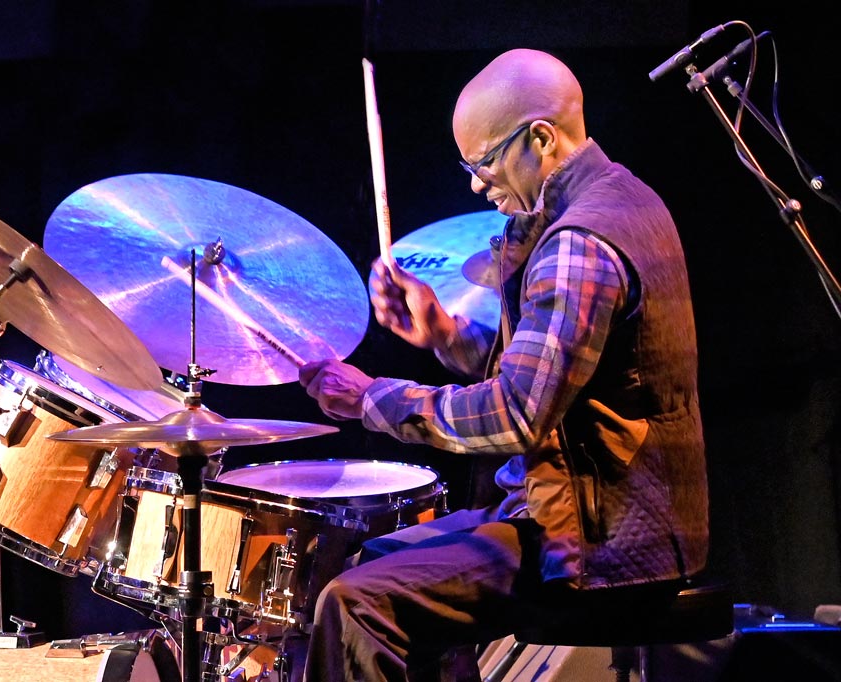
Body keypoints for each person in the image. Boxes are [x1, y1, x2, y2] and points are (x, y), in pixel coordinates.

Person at [297, 48, 709, 681]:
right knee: (370, 560)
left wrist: (371, 400)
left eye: (483, 162)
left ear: (540, 138)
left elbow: (517, 414)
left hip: (600, 544)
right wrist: (446, 334)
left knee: (355, 604)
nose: (475, 184)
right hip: (596, 517)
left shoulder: (579, 242)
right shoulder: (624, 196)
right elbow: (565, 374)